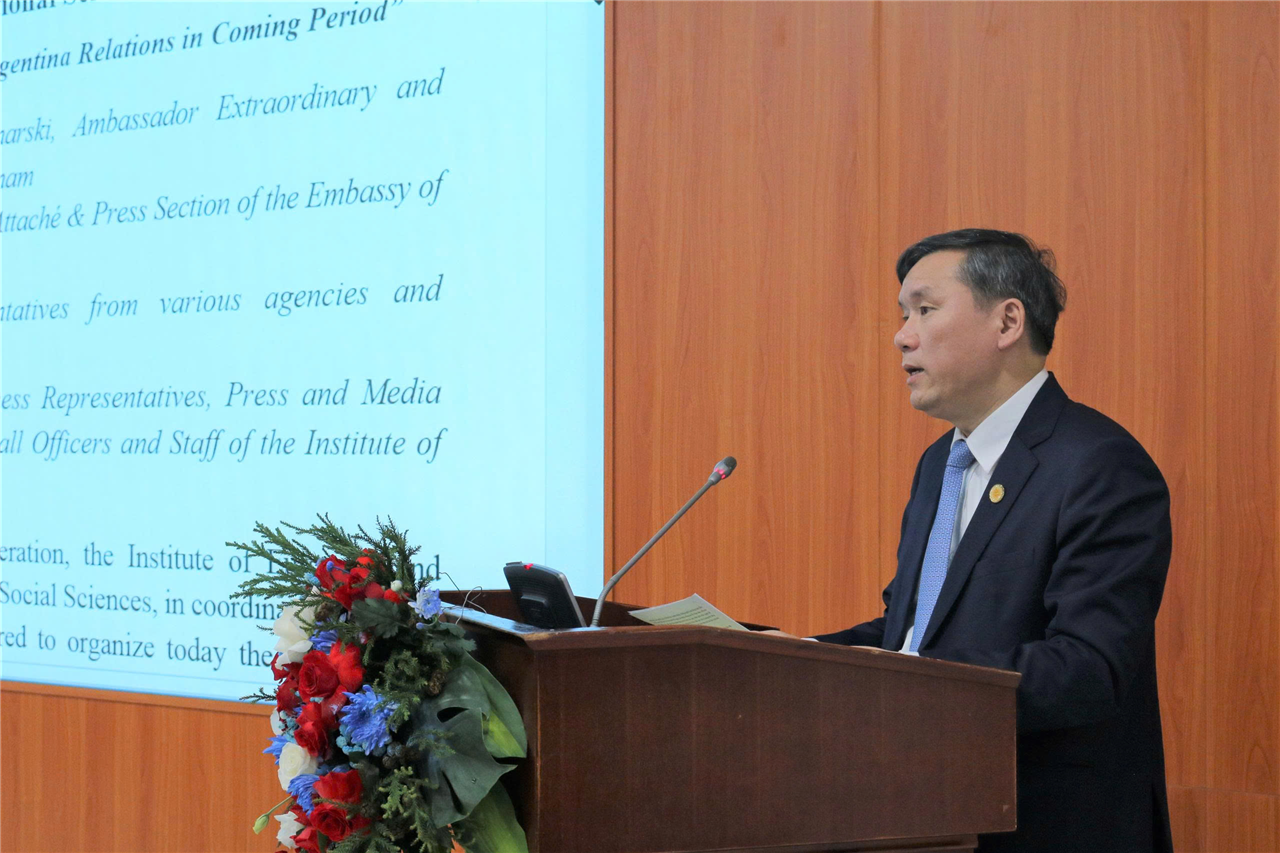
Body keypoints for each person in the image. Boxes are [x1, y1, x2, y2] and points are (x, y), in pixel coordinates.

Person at [814, 229, 1173, 853]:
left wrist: (914, 681)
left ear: (1007, 321)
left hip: (1046, 823)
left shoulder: (1099, 464)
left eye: (925, 310)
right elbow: (912, 631)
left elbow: (1088, 668)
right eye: (903, 316)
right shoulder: (941, 463)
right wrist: (796, 657)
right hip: (929, 810)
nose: (902, 336)